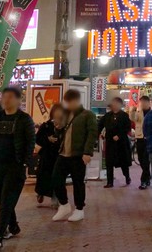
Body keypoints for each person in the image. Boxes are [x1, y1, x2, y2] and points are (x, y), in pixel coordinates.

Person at [0, 87, 35, 249]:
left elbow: (30, 142)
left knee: (7, 200)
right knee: (2, 198)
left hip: (16, 165)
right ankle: (13, 226)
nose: (6, 100)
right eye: (4, 97)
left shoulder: (25, 119)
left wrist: (25, 163)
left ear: (19, 100)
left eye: (10, 97)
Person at [51, 89, 98, 223]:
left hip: (78, 155)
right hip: (63, 153)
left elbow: (92, 133)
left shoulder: (87, 115)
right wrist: (57, 128)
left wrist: (87, 152)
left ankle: (79, 209)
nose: (67, 104)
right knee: (55, 179)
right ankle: (64, 205)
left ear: (77, 100)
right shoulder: (66, 114)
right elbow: (60, 133)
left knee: (78, 182)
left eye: (69, 101)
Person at [99, 97, 132, 188]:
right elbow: (100, 125)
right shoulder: (107, 115)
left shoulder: (124, 115)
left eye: (116, 103)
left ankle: (127, 177)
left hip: (121, 143)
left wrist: (119, 136)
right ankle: (110, 182)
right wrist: (99, 133)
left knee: (123, 163)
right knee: (109, 163)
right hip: (110, 143)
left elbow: (127, 127)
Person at [34, 104, 63, 205]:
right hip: (47, 156)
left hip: (59, 155)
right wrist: (47, 139)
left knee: (57, 177)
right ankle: (40, 193)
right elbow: (37, 138)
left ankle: (55, 197)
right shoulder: (46, 125)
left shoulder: (64, 126)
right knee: (43, 177)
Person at [132, 96, 152, 190]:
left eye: (144, 102)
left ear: (148, 102)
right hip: (139, 137)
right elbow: (133, 119)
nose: (142, 104)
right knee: (140, 159)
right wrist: (132, 111)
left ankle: (143, 181)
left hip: (149, 139)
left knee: (146, 160)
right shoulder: (138, 112)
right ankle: (148, 176)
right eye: (141, 102)